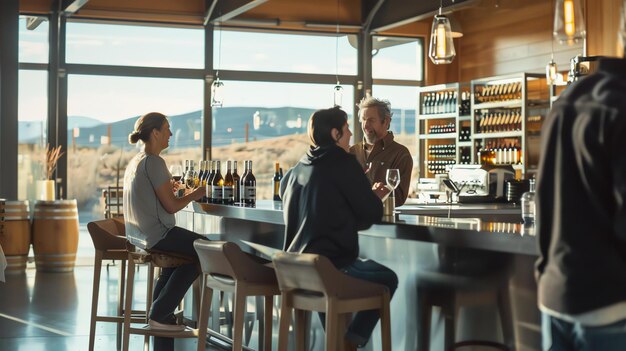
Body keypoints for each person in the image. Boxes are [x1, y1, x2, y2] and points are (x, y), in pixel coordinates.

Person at [535, 4, 626, 350]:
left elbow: (544, 200)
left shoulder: (568, 98)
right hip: (611, 304)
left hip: (556, 295)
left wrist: (545, 273)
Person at [280, 106, 398, 350]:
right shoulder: (343, 162)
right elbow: (371, 214)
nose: (351, 135)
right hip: (331, 268)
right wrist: (373, 195)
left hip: (296, 270)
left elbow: (318, 211)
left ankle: (337, 341)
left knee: (326, 274)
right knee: (388, 279)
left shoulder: (296, 169)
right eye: (346, 130)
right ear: (335, 134)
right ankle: (349, 343)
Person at [123, 112, 207, 342]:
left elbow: (154, 198)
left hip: (139, 236)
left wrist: (172, 188)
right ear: (155, 133)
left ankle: (159, 316)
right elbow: (171, 207)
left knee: (176, 262)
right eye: (167, 128)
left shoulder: (137, 161)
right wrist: (198, 193)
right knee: (204, 249)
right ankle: (160, 314)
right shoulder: (155, 161)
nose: (170, 133)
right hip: (157, 234)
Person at [350, 97, 413, 207]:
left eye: (371, 120)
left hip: (385, 220)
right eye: (363, 119)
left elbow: (399, 198)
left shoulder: (401, 154)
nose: (365, 125)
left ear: (386, 121)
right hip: (354, 221)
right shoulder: (352, 151)